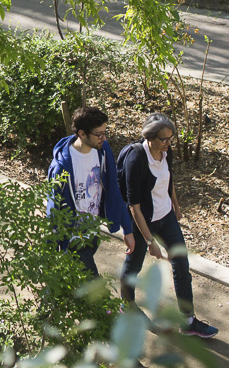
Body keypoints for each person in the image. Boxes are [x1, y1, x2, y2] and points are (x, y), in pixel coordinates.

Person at [117, 112, 219, 338]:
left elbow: (169, 178)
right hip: (143, 220)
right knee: (133, 264)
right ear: (150, 138)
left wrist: (176, 203)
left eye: (171, 138)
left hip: (166, 217)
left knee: (181, 265)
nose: (169, 143)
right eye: (164, 139)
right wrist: (149, 240)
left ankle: (188, 320)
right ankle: (127, 304)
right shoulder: (136, 159)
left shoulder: (165, 151)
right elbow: (134, 205)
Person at [46, 105, 135, 277]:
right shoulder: (61, 166)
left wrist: (127, 229)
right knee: (93, 285)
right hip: (73, 235)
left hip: (93, 230)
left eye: (105, 132)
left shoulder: (103, 150)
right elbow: (53, 206)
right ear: (82, 133)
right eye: (99, 134)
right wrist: (51, 246)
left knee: (73, 285)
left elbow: (113, 189)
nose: (104, 138)